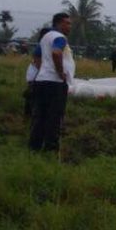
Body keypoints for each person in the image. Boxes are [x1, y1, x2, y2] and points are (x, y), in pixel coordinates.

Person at [28, 13, 75, 152]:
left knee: (39, 117)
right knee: (54, 118)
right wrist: (60, 72)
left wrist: (42, 68)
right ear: (59, 24)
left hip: (41, 81)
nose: (69, 26)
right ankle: (51, 149)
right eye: (67, 23)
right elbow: (56, 53)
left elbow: (36, 55)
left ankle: (34, 147)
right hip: (55, 83)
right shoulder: (60, 38)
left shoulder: (45, 37)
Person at [23, 28, 50, 117]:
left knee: (33, 97)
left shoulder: (43, 45)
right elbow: (39, 63)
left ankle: (29, 116)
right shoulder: (41, 46)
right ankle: (30, 116)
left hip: (35, 75)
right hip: (36, 75)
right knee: (33, 98)